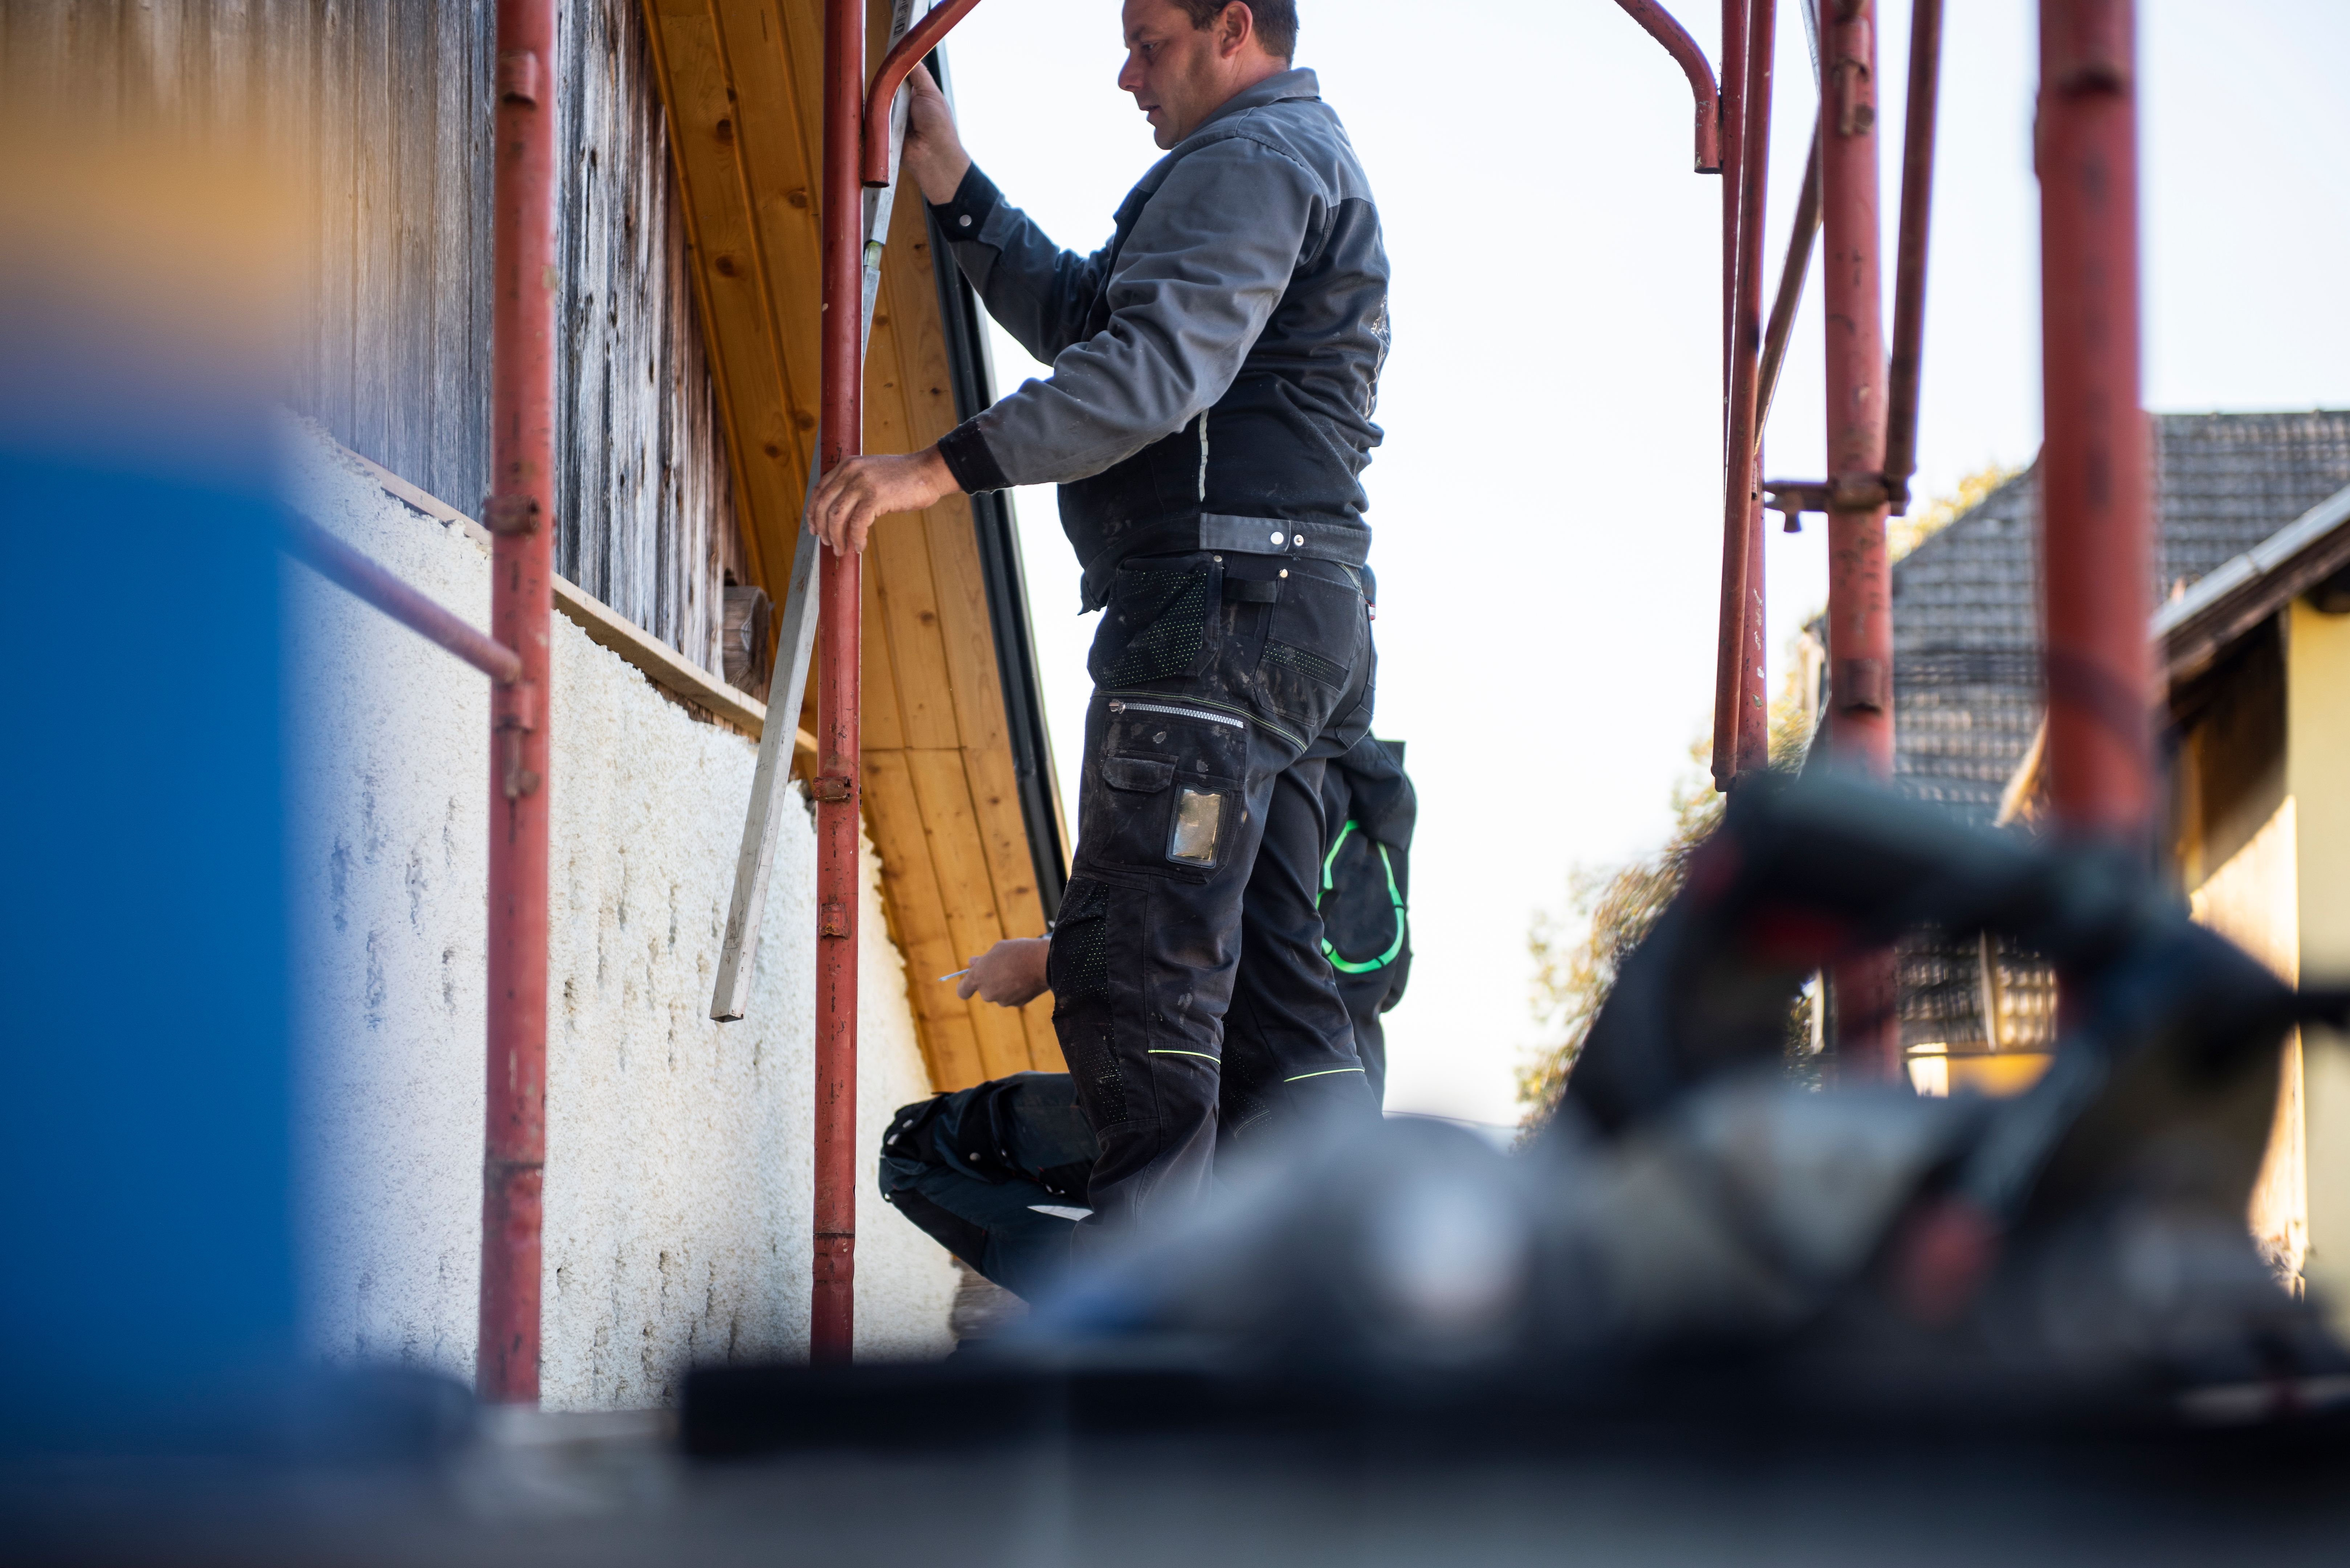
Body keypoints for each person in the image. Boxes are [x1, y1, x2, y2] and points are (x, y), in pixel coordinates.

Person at [815, 0, 1393, 1241]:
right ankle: (1325, 1299)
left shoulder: (1248, 160)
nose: (1124, 73)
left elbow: (1148, 373)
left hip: (1213, 621)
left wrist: (935, 468)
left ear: (1234, 27)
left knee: (1147, 990)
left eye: (1149, 42)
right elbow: (1106, 327)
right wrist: (959, 193)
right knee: (1277, 997)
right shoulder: (1287, 164)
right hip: (1293, 625)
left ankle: (1147, 1356)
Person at [882, 732, 1414, 1300]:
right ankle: (1141, 1298)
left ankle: (1123, 1304)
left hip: (1218, 1111)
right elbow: (1347, 975)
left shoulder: (1252, 755)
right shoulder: (1369, 816)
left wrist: (1043, 961)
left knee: (914, 1152)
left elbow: (1188, 934)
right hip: (1332, 1146)